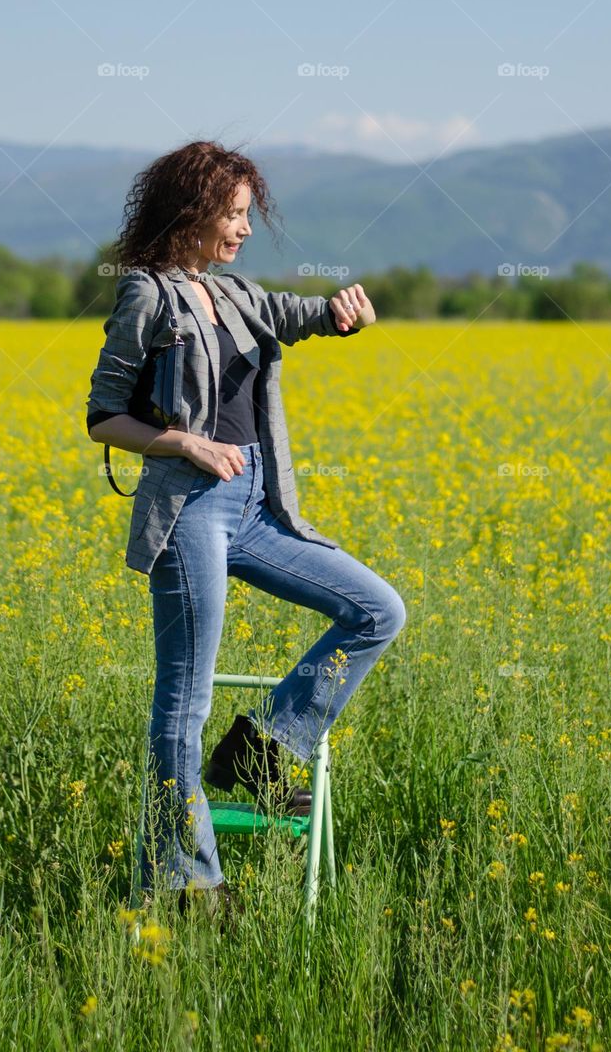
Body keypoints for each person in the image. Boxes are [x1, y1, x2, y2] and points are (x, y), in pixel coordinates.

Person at [87, 140, 407, 922]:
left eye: (245, 215)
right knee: (182, 703)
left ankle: (263, 750)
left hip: (262, 509)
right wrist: (184, 442)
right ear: (190, 213)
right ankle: (188, 880)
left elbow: (300, 317)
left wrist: (343, 316)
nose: (243, 230)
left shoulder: (233, 292)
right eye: (232, 215)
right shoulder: (147, 296)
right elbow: (103, 415)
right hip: (190, 508)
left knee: (377, 611)